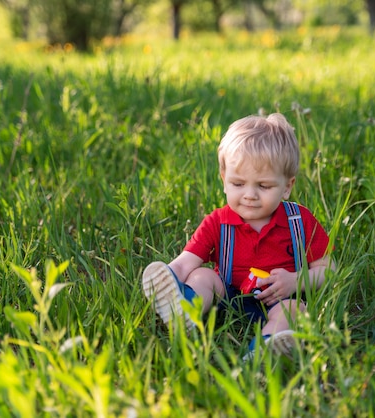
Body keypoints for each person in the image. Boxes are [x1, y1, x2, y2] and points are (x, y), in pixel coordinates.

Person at [142, 113, 333, 358]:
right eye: (238, 184)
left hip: (278, 299)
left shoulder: (300, 221)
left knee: (295, 309)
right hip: (228, 298)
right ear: (224, 180)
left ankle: (264, 348)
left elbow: (329, 270)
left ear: (287, 187)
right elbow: (186, 261)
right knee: (201, 275)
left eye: (263, 186)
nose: (250, 195)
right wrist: (165, 279)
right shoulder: (218, 222)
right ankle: (185, 308)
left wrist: (295, 281)